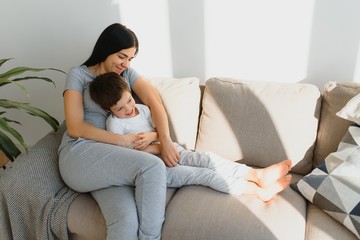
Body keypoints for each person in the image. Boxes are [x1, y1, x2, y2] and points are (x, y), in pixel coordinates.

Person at [89, 72, 293, 202]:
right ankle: (257, 191)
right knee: (205, 175)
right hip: (155, 166)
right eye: (120, 108)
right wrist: (156, 147)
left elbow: (160, 132)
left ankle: (256, 175)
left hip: (171, 151)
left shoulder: (142, 110)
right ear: (108, 109)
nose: (128, 108)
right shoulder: (114, 124)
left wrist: (154, 136)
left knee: (207, 159)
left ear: (129, 91)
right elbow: (124, 156)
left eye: (129, 100)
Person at [58, 23, 174, 240]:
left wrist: (163, 138)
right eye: (122, 56)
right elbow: (74, 127)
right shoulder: (78, 75)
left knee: (125, 219)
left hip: (110, 163)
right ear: (106, 49)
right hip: (80, 154)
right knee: (152, 167)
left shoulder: (127, 74)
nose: (126, 63)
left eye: (130, 58)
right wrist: (121, 141)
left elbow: (155, 103)